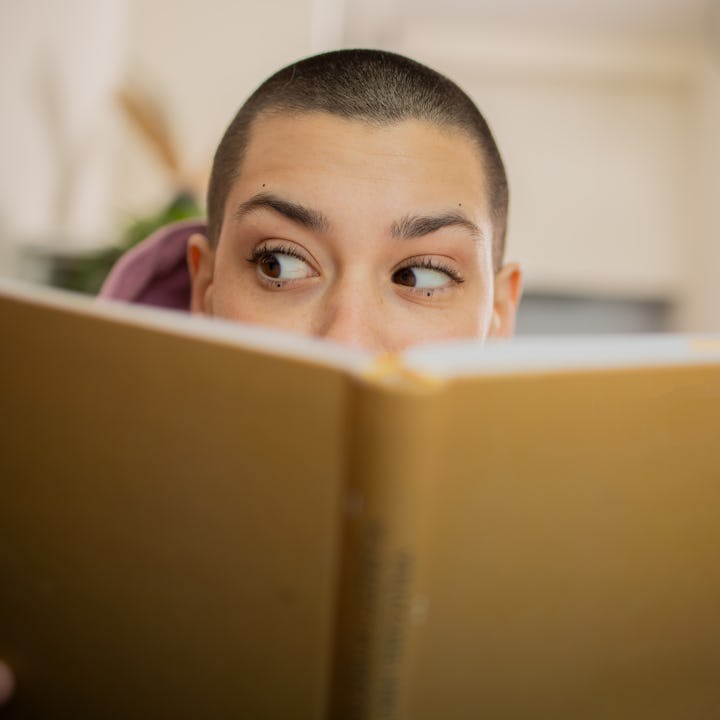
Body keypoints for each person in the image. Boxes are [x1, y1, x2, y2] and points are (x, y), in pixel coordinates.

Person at [0, 47, 521, 708]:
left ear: (499, 315)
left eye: (418, 276)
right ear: (204, 285)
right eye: (279, 264)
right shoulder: (37, 528)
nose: (347, 340)